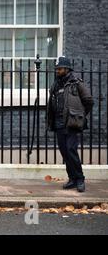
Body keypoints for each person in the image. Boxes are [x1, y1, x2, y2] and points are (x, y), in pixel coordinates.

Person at [47, 57, 94, 192]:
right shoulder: (56, 84)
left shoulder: (76, 83)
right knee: (65, 152)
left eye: (60, 69)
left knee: (71, 150)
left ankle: (80, 179)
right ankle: (72, 179)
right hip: (58, 123)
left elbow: (88, 101)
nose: (57, 71)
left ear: (67, 69)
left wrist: (80, 116)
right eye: (56, 69)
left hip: (71, 123)